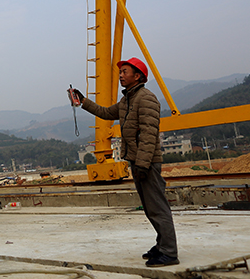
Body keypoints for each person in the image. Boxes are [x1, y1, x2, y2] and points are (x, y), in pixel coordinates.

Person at [71, 58, 179, 267]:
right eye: (120, 72)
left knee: (158, 207)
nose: (120, 75)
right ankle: (162, 245)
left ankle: (169, 253)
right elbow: (105, 113)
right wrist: (83, 101)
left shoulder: (146, 99)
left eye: (125, 72)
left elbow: (149, 134)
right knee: (150, 207)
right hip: (138, 161)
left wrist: (143, 165)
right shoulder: (128, 100)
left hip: (146, 162)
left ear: (137, 76)